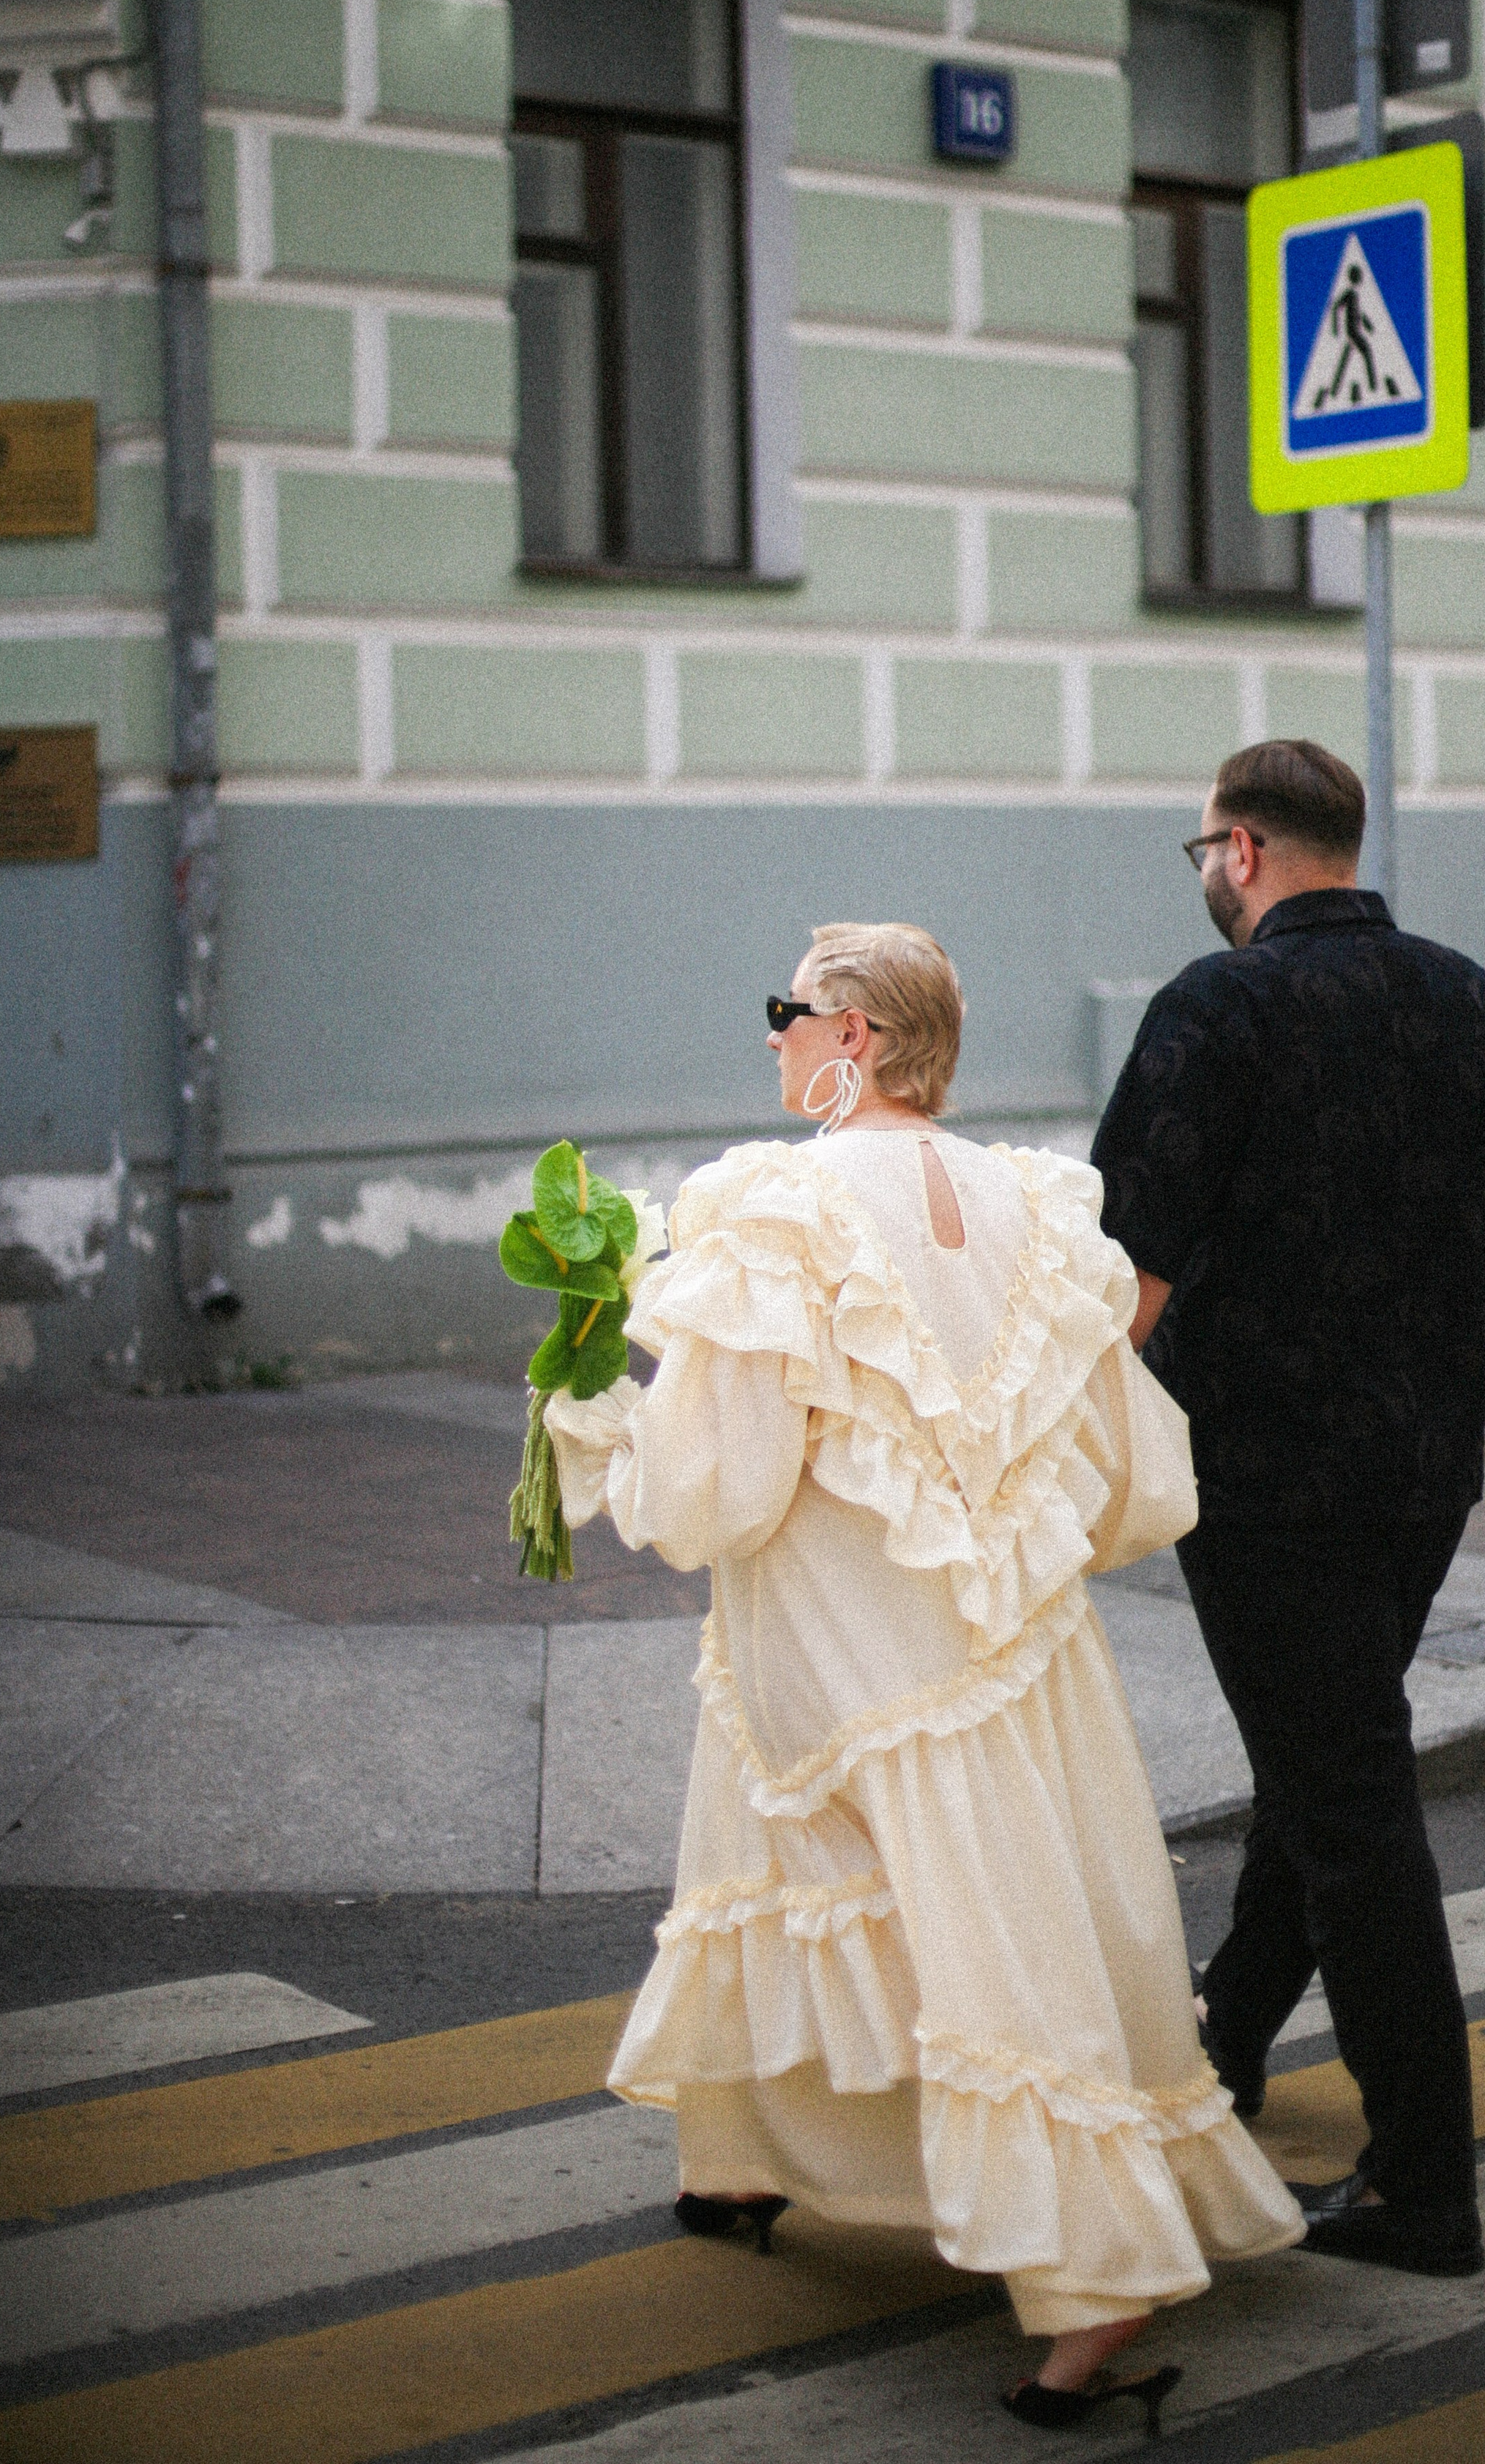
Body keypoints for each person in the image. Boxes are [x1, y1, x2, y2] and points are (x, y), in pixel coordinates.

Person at [545, 921, 1302, 2431]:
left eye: (789, 1009)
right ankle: (746, 2157)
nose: (772, 1033)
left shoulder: (772, 1203)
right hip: (1013, 1641)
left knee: (944, 1921)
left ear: (860, 1037)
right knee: (958, 1897)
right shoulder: (1038, 1201)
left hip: (846, 1634)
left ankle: (1099, 2280)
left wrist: (589, 1424)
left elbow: (716, 1488)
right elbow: (1118, 1464)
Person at [1091, 742, 1485, 2280]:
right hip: (1421, 1473)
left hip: (1264, 1484)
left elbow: (1123, 1273)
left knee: (1344, 1803)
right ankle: (1228, 2042)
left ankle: (1424, 2185)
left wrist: (1045, 1443)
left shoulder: (1215, 1010)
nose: (1204, 871)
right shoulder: (1472, 1000)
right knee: (1321, 1760)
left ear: (1245, 851)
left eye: (1201, 847)